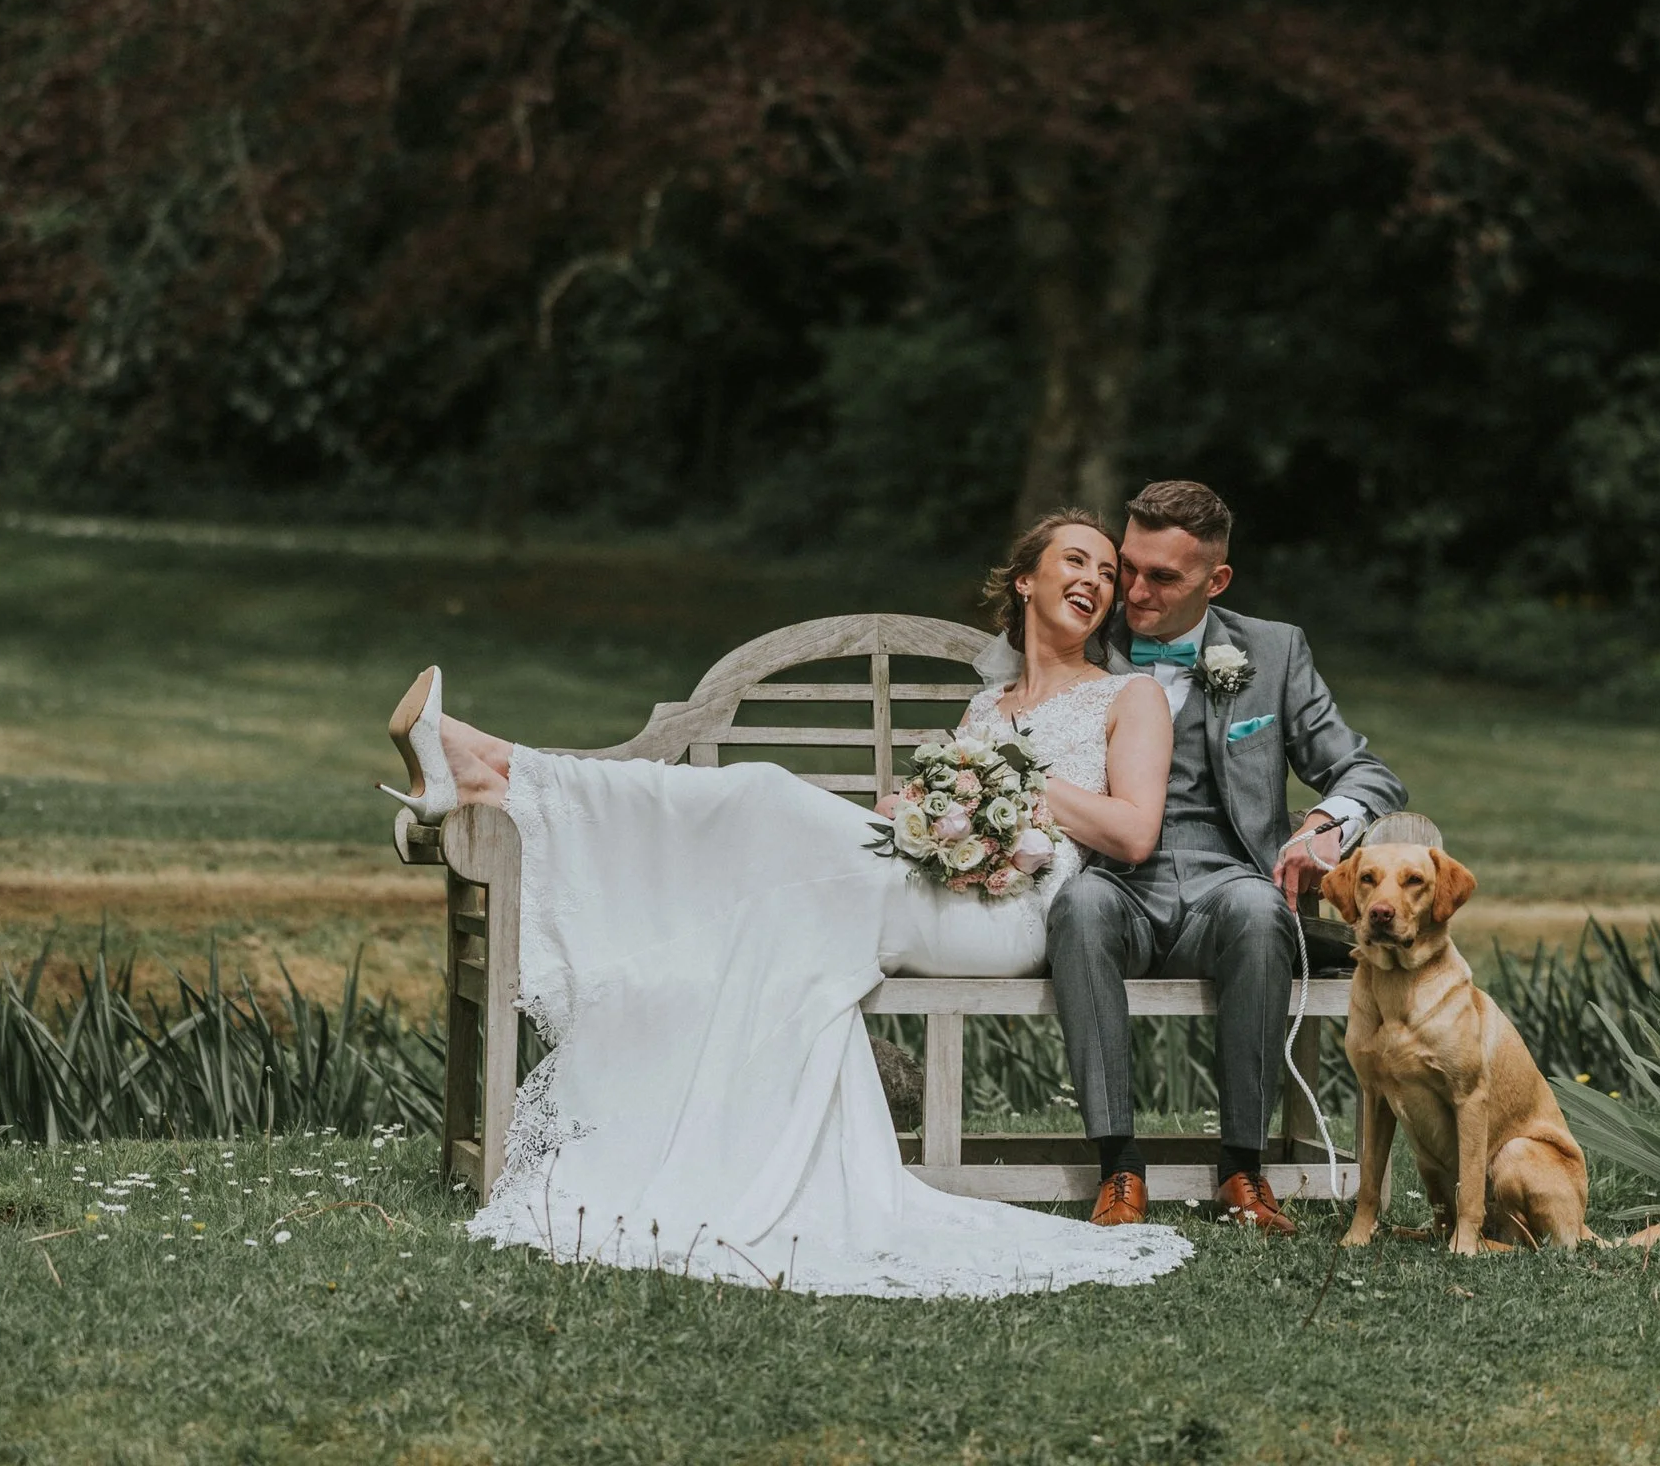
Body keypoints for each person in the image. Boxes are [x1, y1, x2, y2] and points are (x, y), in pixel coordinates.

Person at [377, 511, 1191, 1297]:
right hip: (930, 882)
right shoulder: (987, 707)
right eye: (1076, 561)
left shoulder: (1130, 699)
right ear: (1024, 581)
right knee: (767, 865)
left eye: (1107, 572)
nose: (1095, 578)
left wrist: (1014, 780)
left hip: (1012, 910)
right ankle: (503, 774)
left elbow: (1132, 832)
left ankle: (502, 770)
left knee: (766, 798)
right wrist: (917, 808)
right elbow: (942, 813)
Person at [1047, 480, 1407, 1235]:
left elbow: (1367, 774)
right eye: (1130, 567)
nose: (1135, 592)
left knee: (1255, 909)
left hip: (1227, 882)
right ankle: (1119, 1166)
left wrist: (1321, 826)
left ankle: (1243, 1169)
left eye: (1163, 578)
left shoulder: (1272, 652)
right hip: (1116, 881)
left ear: (1217, 582)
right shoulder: (1083, 640)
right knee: (1077, 907)